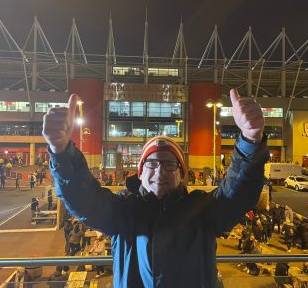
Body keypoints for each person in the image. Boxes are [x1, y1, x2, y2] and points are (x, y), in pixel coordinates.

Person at [43, 90, 267, 287]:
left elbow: (237, 193)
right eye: (152, 163)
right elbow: (83, 198)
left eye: (170, 164)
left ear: (182, 173)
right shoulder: (121, 211)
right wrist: (61, 151)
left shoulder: (202, 211)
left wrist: (250, 140)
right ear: (140, 172)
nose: (160, 172)